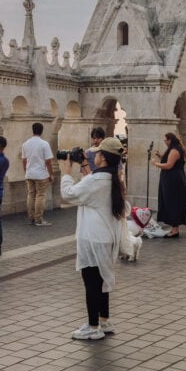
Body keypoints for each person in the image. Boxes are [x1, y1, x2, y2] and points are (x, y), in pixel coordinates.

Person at [59, 136, 126, 341]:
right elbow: (91, 187)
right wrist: (85, 167)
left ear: (103, 158)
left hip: (92, 237)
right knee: (102, 280)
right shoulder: (114, 178)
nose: (94, 154)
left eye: (98, 152)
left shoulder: (96, 180)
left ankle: (92, 326)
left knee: (91, 283)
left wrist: (66, 172)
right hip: (106, 236)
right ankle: (104, 320)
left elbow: (68, 194)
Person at [152, 132, 186, 238]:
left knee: (173, 201)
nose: (164, 141)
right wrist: (160, 156)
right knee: (170, 201)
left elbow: (168, 165)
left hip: (173, 180)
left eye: (165, 140)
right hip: (171, 178)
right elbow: (168, 159)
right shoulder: (173, 149)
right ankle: (173, 228)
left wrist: (155, 164)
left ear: (170, 140)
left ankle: (175, 230)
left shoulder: (175, 150)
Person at [21, 122, 54, 226]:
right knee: (40, 195)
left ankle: (31, 217)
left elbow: (24, 160)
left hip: (29, 174)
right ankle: (38, 219)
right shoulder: (44, 144)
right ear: (41, 131)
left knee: (31, 195)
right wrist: (51, 174)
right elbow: (48, 161)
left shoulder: (25, 144)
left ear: (33, 130)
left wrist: (26, 172)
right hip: (41, 175)